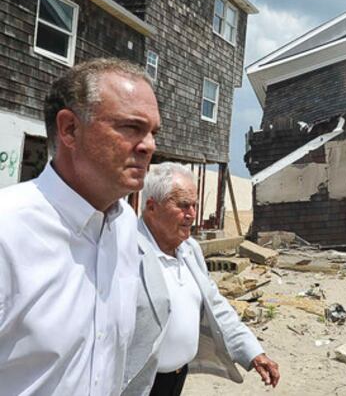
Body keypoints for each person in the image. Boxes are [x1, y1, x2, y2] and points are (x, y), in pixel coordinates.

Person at [0, 59, 161, 395]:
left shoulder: (126, 227)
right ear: (70, 129)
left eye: (153, 132)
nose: (149, 146)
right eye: (131, 127)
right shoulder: (7, 229)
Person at [122, 162, 280, 396]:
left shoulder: (190, 250)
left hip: (176, 379)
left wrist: (252, 351)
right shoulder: (126, 254)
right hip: (136, 386)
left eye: (194, 206)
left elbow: (215, 304)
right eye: (183, 205)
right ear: (151, 207)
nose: (192, 215)